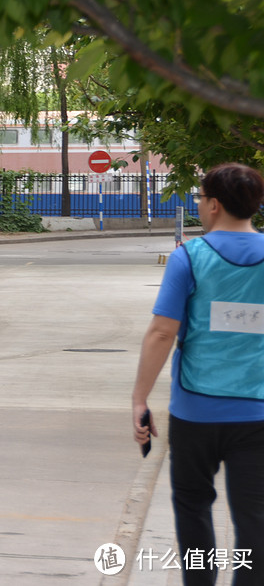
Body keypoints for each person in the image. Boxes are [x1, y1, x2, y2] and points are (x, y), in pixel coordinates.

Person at [132, 163, 264, 584]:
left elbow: (162, 332)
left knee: (192, 507)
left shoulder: (189, 257)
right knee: (255, 517)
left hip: (196, 411)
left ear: (213, 204)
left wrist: (140, 398)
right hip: (258, 413)